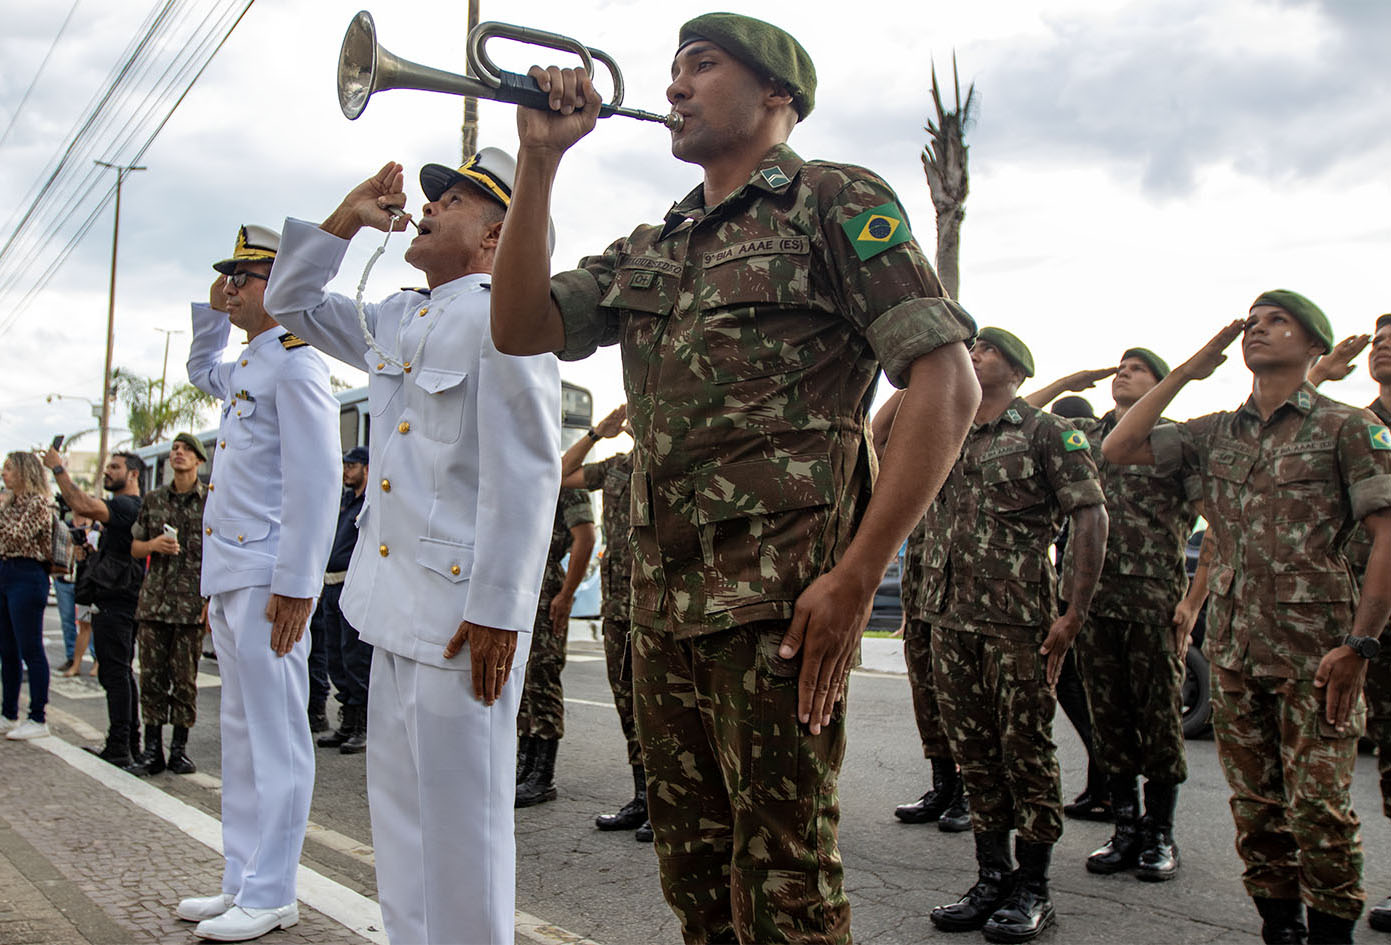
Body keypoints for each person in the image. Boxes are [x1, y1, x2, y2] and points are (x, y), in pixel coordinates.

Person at [489, 14, 980, 942]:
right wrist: (540, 162)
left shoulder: (832, 200)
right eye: (672, 69)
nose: (673, 86)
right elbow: (517, 325)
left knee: (786, 882)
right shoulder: (655, 241)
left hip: (777, 607)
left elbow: (943, 382)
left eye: (700, 67)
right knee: (697, 880)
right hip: (663, 611)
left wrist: (858, 574)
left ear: (776, 96)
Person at [262, 148, 561, 945]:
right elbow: (287, 299)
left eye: (453, 200)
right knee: (399, 826)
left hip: (464, 620)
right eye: (433, 197)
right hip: (389, 607)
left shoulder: (510, 316)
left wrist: (501, 609)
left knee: (463, 834)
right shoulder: (399, 315)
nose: (428, 206)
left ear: (495, 237)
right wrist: (344, 219)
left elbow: (528, 470)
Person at [1103, 291, 1391, 944]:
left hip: (1316, 657)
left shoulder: (1346, 427)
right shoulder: (1211, 432)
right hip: (1235, 654)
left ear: (1313, 345)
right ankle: (1278, 928)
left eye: (1277, 322)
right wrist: (1187, 369)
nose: (1257, 331)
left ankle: (1329, 933)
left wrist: (1359, 644)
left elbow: (1385, 536)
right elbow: (1120, 446)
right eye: (1251, 323)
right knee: (1258, 812)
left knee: (1318, 812)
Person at [177, 223, 340, 942]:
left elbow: (317, 481)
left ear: (281, 283)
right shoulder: (250, 363)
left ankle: (274, 889)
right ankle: (240, 878)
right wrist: (213, 310)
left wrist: (298, 583)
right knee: (240, 737)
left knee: (277, 739)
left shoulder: (299, 363)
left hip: (269, 573)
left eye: (245, 276)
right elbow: (197, 366)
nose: (233, 286)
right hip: (231, 572)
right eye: (229, 276)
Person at [925, 328, 1107, 942]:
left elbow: (1090, 513)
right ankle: (990, 877)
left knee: (1025, 750)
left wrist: (1074, 611)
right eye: (969, 349)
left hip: (1020, 621)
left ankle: (1033, 887)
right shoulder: (949, 430)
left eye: (986, 350)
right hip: (950, 618)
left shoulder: (1049, 433)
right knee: (974, 753)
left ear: (1018, 369)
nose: (972, 355)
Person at [1028, 350, 1203, 881]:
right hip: (1091, 602)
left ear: (1159, 384)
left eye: (1137, 368)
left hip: (1153, 600)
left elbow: (1215, 526)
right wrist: (1066, 382)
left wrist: (1193, 602)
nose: (1123, 373)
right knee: (1109, 718)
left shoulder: (1175, 441)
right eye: (1120, 367)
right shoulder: (1086, 433)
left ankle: (1160, 834)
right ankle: (1124, 828)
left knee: (1158, 721)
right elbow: (1016, 412)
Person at [1301, 320, 1391, 936]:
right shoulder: (1355, 427)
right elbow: (1278, 425)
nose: (1383, 342)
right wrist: (1319, 375)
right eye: (1380, 335)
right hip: (1367, 617)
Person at [871, 395, 967, 832]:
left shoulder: (993, 434)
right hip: (924, 593)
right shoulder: (927, 442)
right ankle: (943, 787)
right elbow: (877, 434)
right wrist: (916, 379)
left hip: (969, 600)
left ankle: (970, 795)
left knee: (963, 701)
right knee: (927, 698)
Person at [559, 405, 651, 838]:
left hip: (662, 601)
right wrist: (597, 433)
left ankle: (676, 806)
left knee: (665, 705)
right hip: (618, 602)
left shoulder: (677, 461)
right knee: (626, 697)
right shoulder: (615, 468)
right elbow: (559, 475)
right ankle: (645, 798)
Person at [43, 448, 147, 765]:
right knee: (120, 672)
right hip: (117, 597)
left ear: (133, 474)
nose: (107, 471)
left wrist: (59, 469)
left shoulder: (127, 505)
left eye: (114, 467)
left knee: (115, 673)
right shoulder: (130, 507)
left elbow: (82, 504)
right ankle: (129, 743)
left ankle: (121, 747)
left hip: (118, 600)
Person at [127, 432, 209, 776]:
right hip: (155, 603)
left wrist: (210, 602)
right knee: (152, 679)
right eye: (175, 449)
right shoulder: (154, 499)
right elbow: (134, 547)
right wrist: (154, 546)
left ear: (199, 461)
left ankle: (179, 750)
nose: (178, 453)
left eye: (186, 450)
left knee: (185, 680)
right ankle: (151, 751)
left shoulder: (211, 502)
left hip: (191, 607)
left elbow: (219, 555)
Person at [515, 486, 595, 807]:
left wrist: (567, 593)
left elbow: (585, 538)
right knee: (521, 680)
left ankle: (542, 776)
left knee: (543, 677)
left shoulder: (569, 485)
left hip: (547, 589)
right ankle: (524, 768)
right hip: (521, 585)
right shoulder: (528, 474)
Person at [315, 446, 372, 754]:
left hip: (354, 584)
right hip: (331, 585)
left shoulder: (370, 502)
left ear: (366, 468)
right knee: (335, 657)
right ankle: (347, 722)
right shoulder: (344, 503)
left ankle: (363, 725)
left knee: (356, 657)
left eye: (352, 466)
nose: (347, 471)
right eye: (345, 465)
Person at [0, 451, 57, 740]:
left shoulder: (39, 503)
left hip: (27, 573)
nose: (3, 473)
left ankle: (38, 717)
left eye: (9, 468)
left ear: (24, 471)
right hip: (5, 571)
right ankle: (8, 712)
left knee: (30, 648)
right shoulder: (9, 502)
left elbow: (16, 536)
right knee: (6, 649)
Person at [64, 515, 99, 678]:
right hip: (85, 580)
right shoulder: (75, 528)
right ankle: (76, 664)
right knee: (84, 625)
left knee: (99, 626)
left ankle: (98, 662)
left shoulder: (100, 528)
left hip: (100, 580)